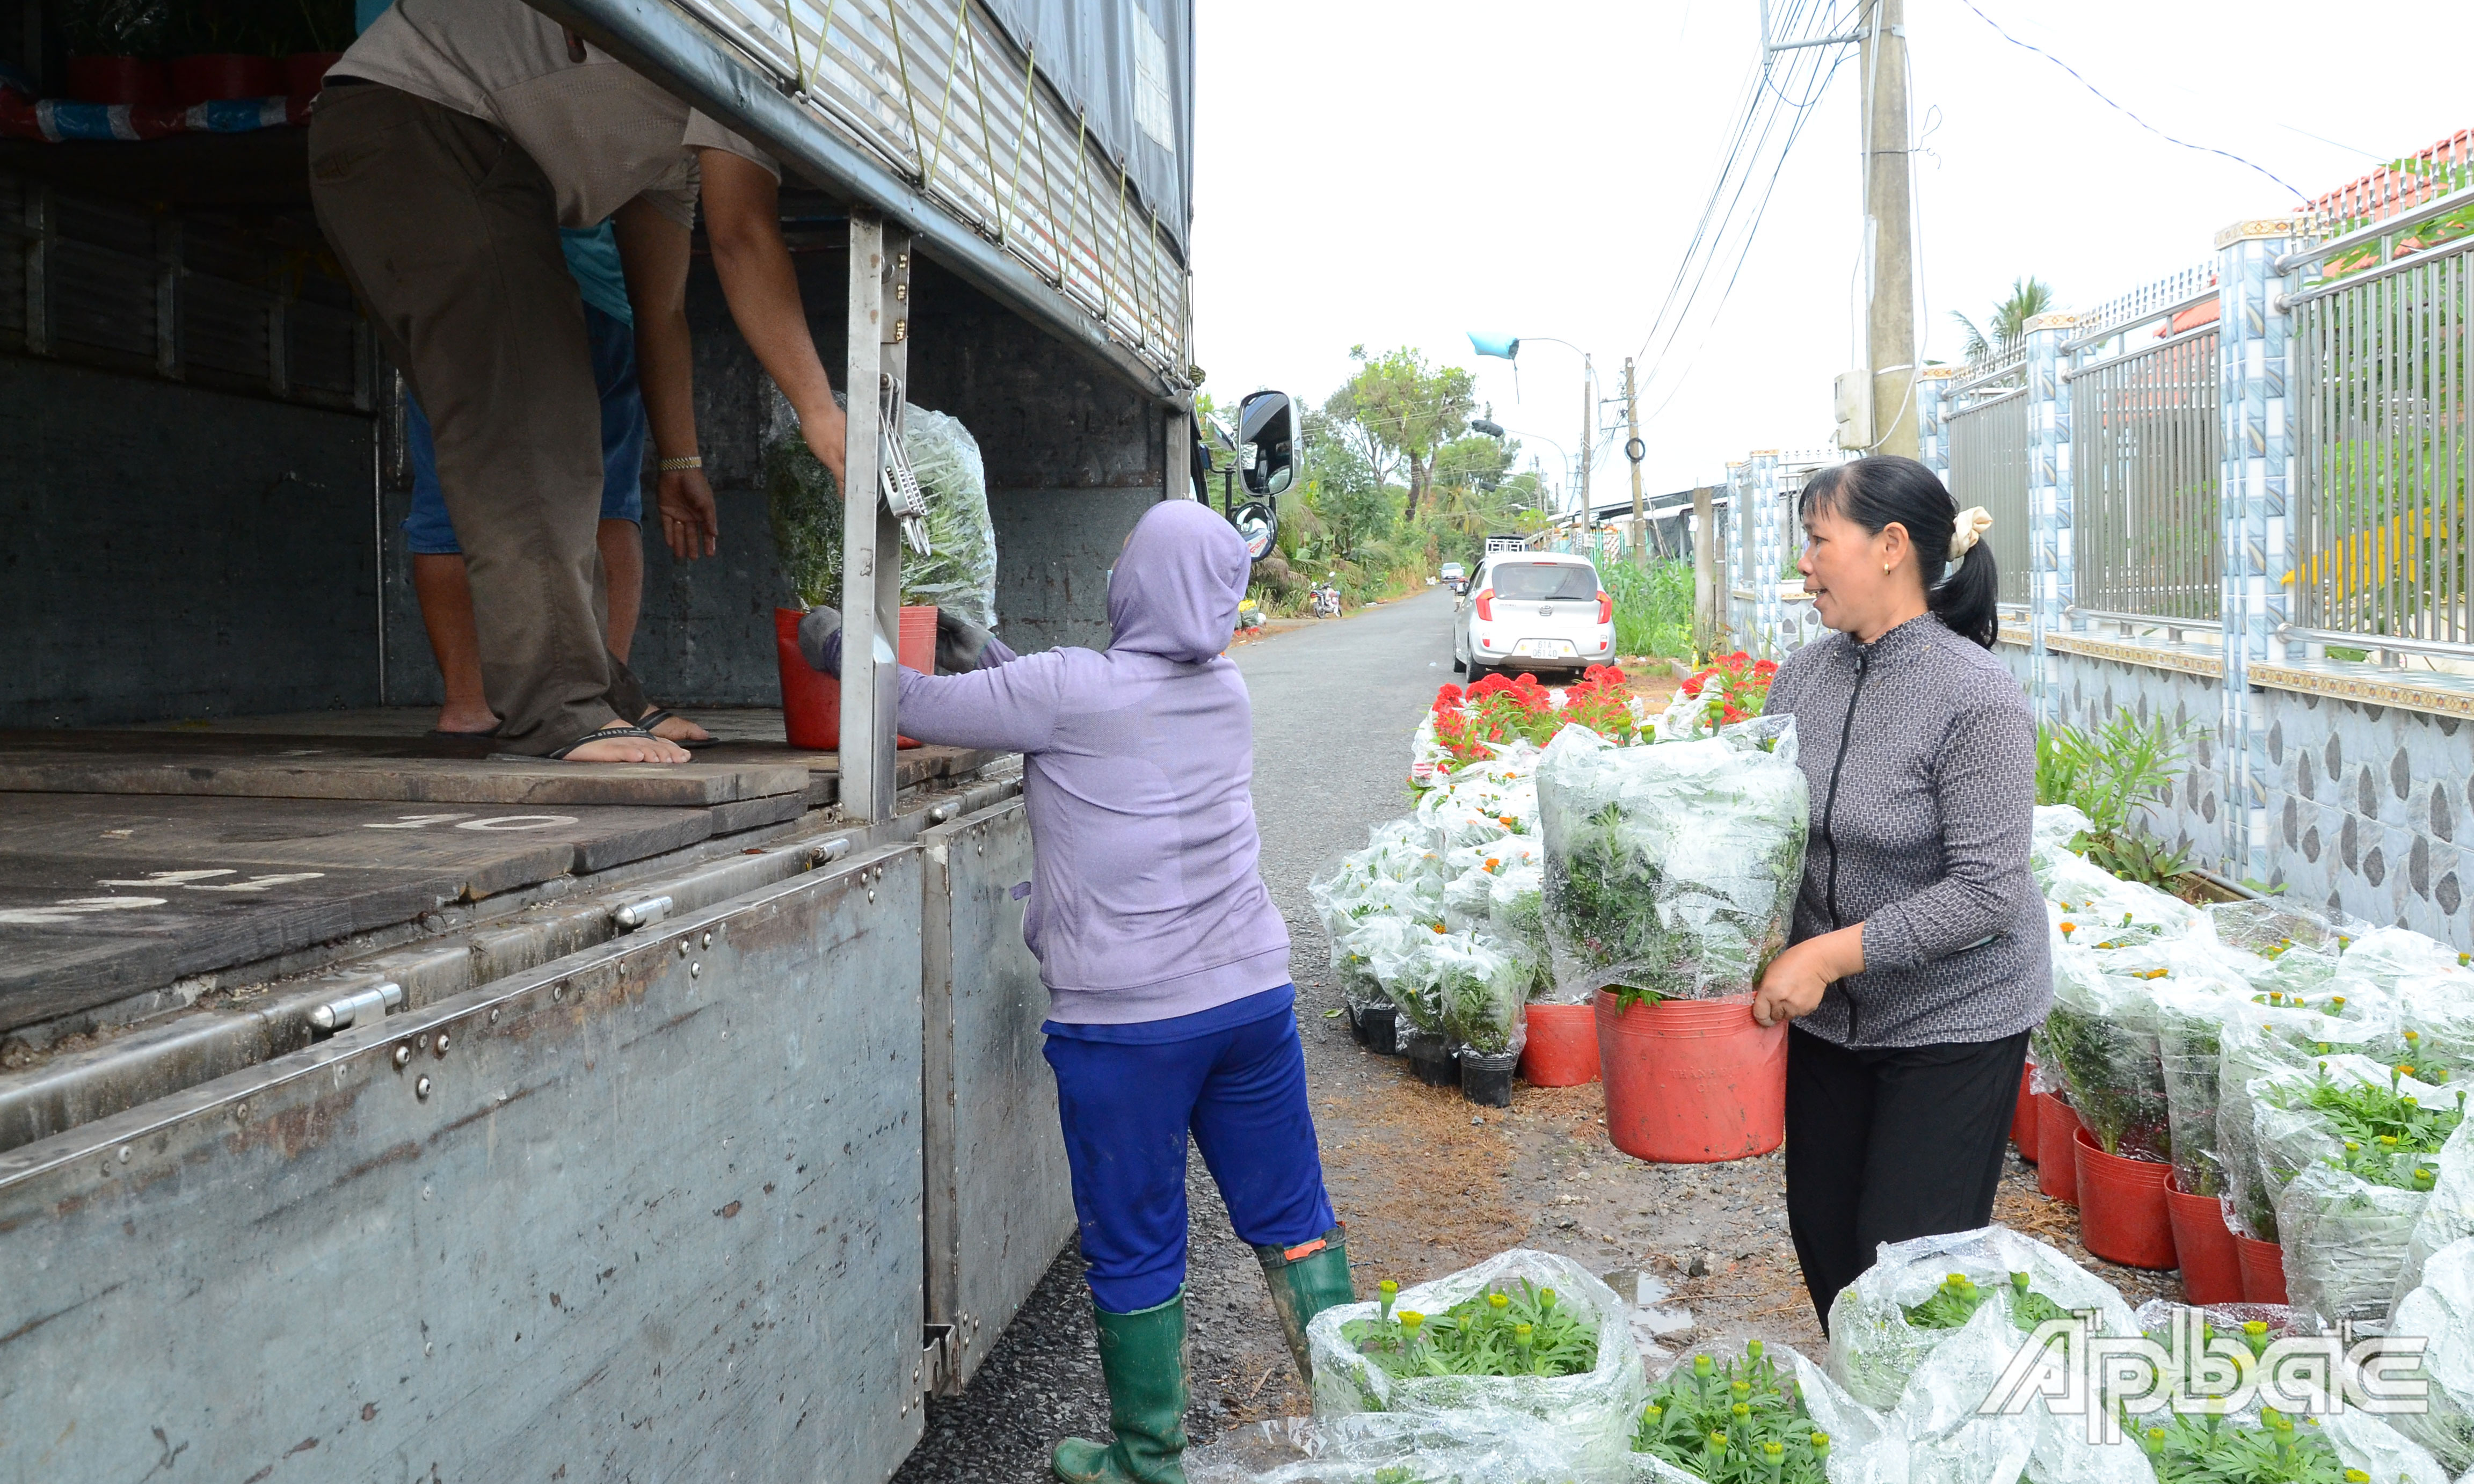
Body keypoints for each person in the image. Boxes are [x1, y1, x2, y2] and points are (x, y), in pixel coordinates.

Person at [797, 501, 1354, 1484]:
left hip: (1129, 1028)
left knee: (1136, 1242)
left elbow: (913, 702)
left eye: (1126, 556)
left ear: (1138, 584)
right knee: (1295, 1216)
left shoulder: (1065, 689)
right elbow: (1090, 711)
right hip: (1251, 1004)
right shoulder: (1225, 689)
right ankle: (1370, 1427)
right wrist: (993, 653)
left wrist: (842, 643)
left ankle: (1148, 1459)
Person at [310, 0, 848, 761]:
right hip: (425, 127)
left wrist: (681, 461)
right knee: (533, 432)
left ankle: (593, 691)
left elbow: (660, 311)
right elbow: (744, 238)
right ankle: (559, 710)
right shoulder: (758, 49)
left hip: (427, 142)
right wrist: (820, 412)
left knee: (549, 433)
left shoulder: (673, 146)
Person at [1749, 454, 2047, 1330]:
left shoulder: (1975, 696)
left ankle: (1926, 1411)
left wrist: (1827, 955)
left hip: (1955, 1018)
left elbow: (1986, 891)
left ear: (1888, 547)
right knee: (1827, 1245)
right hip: (1832, 1023)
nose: (1803, 562)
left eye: (1817, 540)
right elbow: (1764, 827)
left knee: (1905, 1270)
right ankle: (1862, 1403)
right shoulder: (1802, 678)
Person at [401, 221, 706, 745]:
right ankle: (603, 702)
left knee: (451, 486)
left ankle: (471, 707)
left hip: (449, 290)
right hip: (579, 289)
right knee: (604, 495)